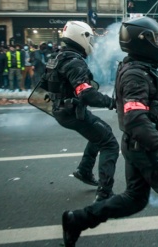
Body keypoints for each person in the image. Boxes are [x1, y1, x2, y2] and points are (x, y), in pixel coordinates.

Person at [61, 17, 158, 247]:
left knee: (134, 199)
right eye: (156, 38)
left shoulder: (140, 67)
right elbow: (135, 118)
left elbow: (148, 96)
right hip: (144, 145)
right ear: (143, 41)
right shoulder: (135, 73)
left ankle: (77, 220)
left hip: (138, 143)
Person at [38, 21, 119, 202]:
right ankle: (105, 191)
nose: (91, 41)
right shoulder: (74, 62)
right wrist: (113, 102)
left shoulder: (56, 57)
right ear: (81, 36)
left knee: (101, 133)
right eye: (89, 37)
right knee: (110, 143)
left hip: (61, 109)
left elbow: (43, 86)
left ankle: (84, 170)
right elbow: (87, 94)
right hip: (72, 112)